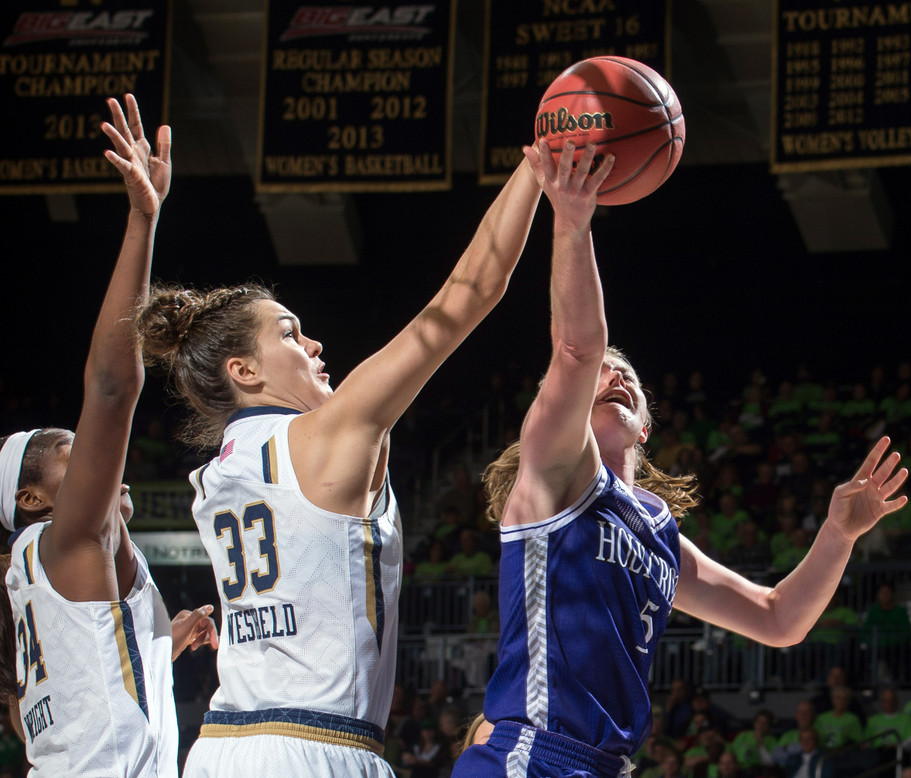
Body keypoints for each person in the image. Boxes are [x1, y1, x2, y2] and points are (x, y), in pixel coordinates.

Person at [451, 139, 908, 778]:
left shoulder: (659, 532)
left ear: (644, 428)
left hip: (606, 765)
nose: (613, 373)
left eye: (627, 373)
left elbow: (780, 620)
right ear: (559, 407)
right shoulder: (553, 477)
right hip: (534, 754)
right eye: (601, 373)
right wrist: (573, 220)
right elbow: (579, 349)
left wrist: (838, 533)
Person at [135, 148, 542, 775]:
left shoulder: (213, 476)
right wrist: (537, 166)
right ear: (243, 371)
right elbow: (468, 293)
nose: (314, 343)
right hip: (314, 744)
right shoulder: (330, 435)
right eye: (291, 333)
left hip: (219, 747)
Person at [0, 95, 217, 775]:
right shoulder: (66, 538)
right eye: (68, 453)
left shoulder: (38, 574)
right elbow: (114, 389)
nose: (101, 462)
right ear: (32, 500)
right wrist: (142, 221)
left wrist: (154, 646)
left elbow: (46, 696)